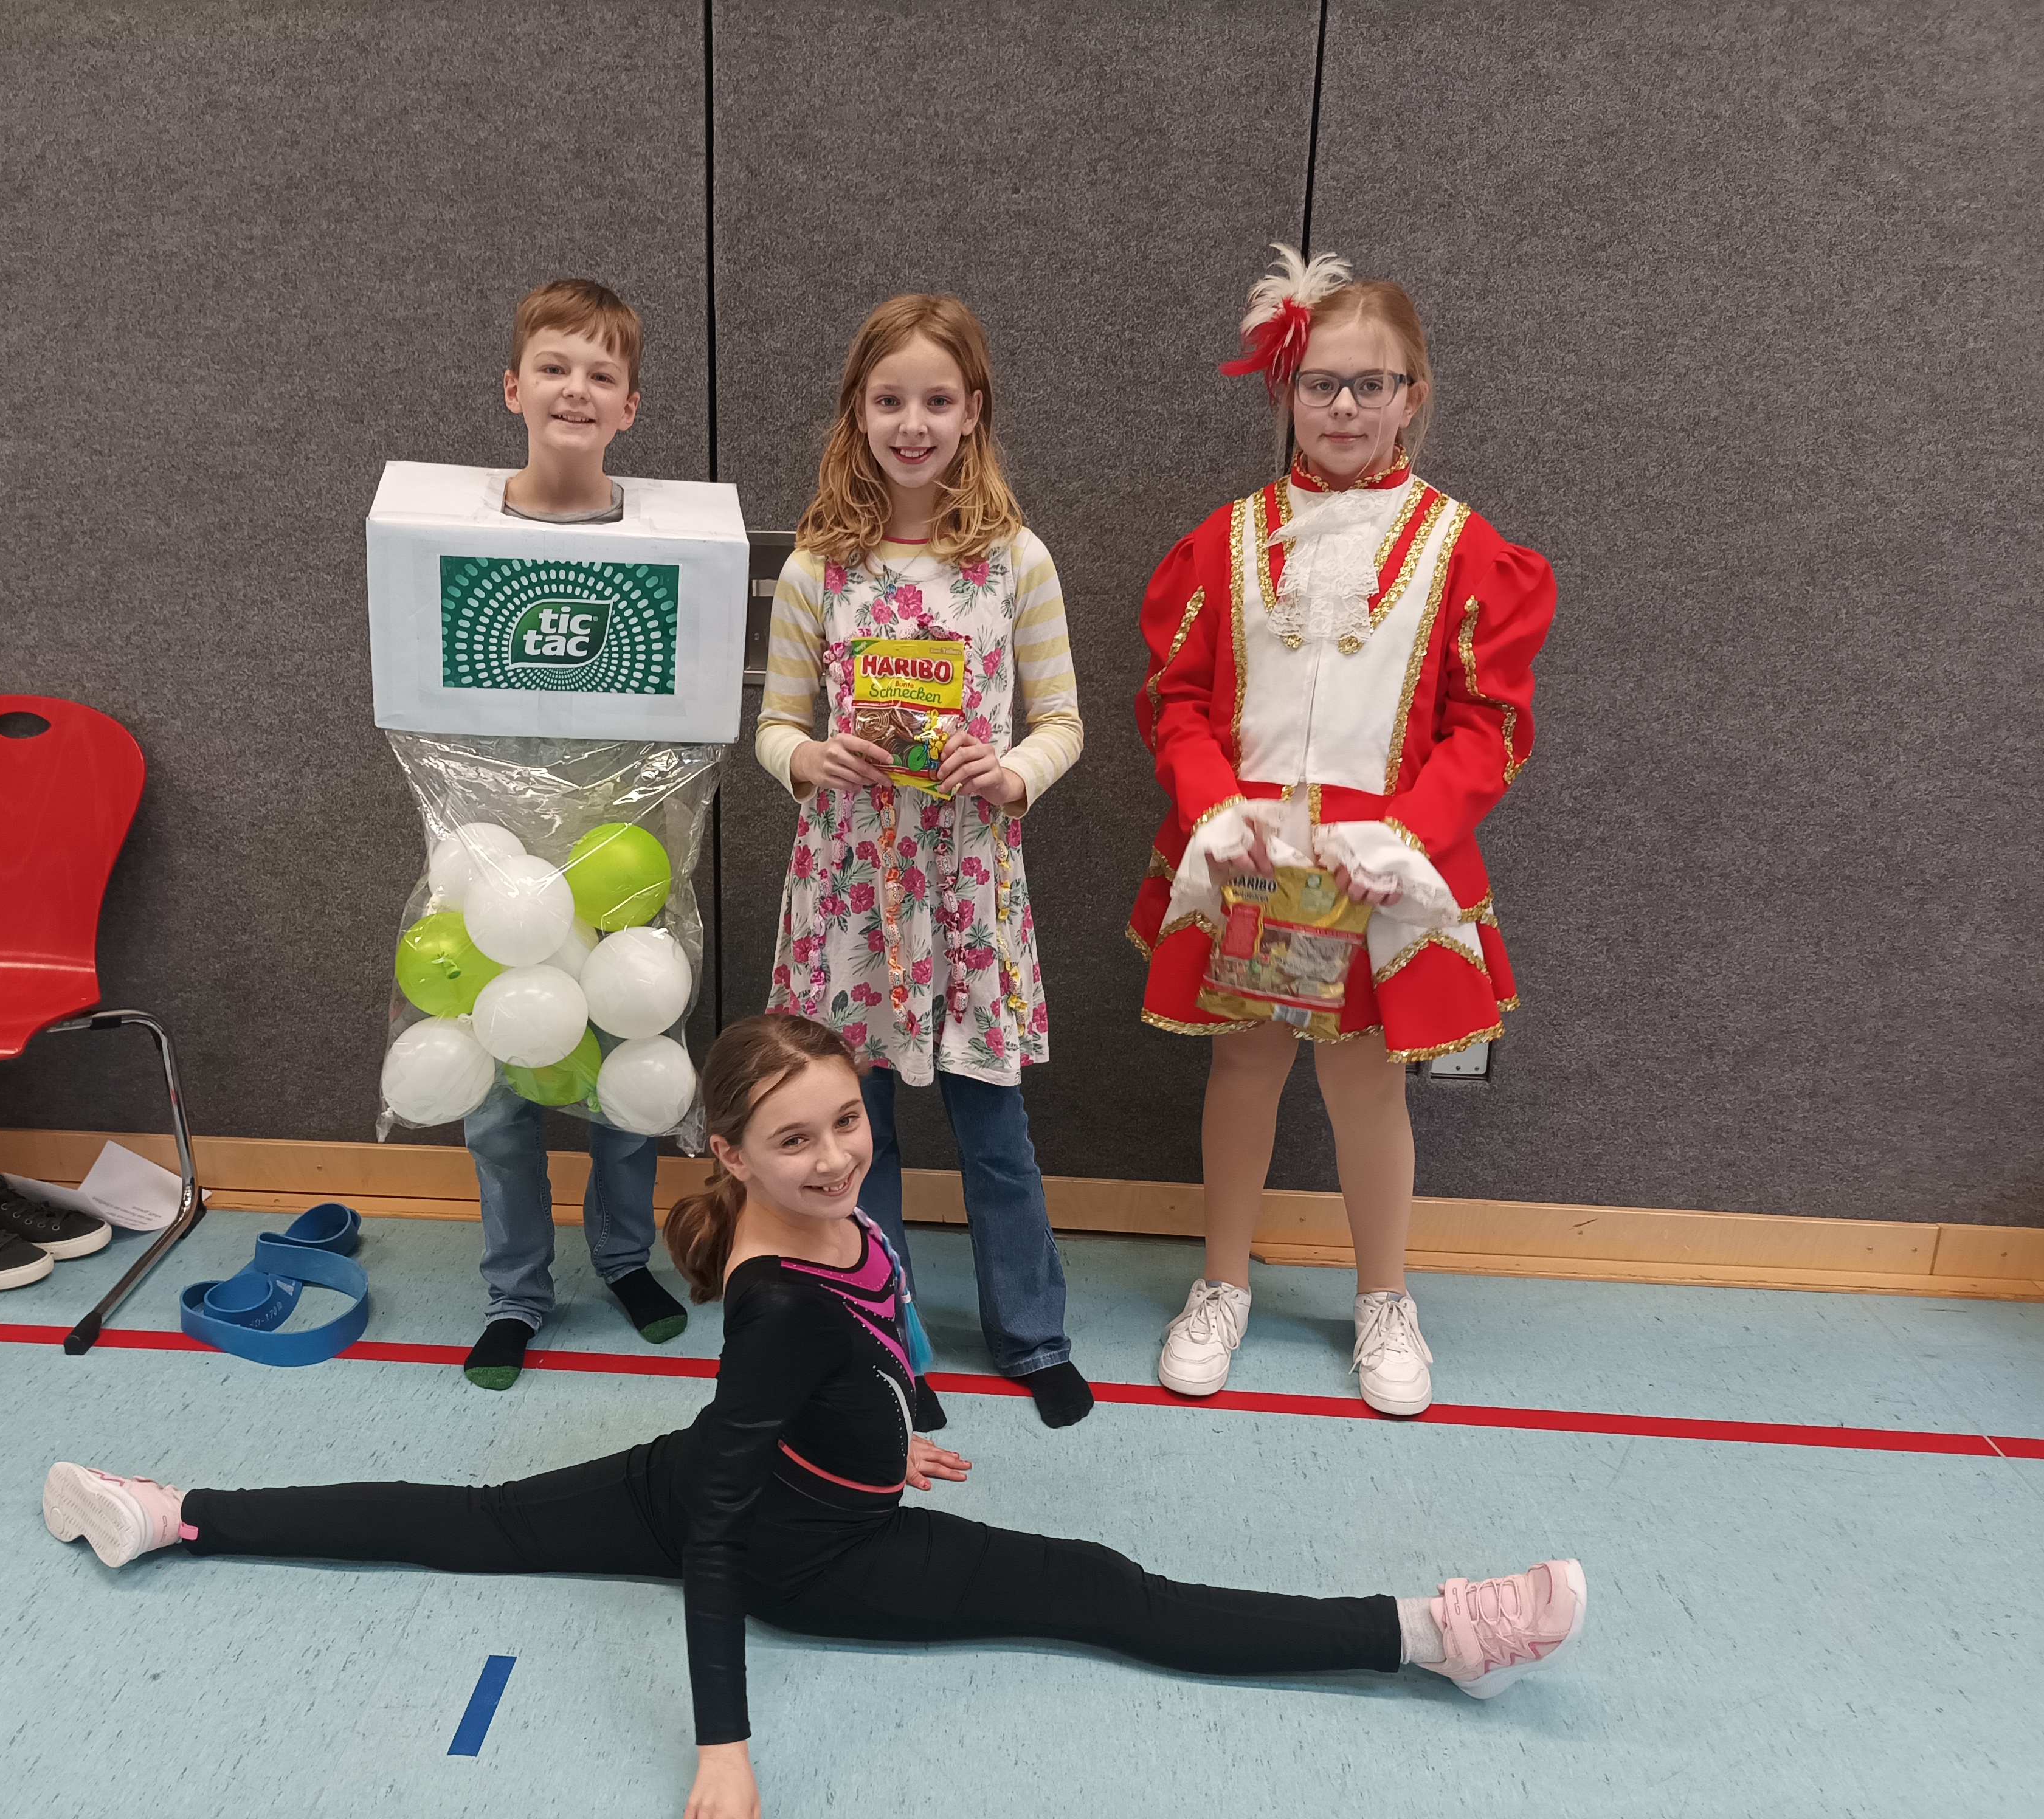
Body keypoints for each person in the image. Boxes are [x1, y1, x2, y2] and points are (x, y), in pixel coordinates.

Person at [43, 1014, 1589, 1819]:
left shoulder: (824, 1222)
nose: (838, 1153)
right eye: (795, 1139)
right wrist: (723, 1747)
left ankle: (171, 1516)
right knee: (1104, 1587)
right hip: (806, 1550)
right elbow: (720, 1534)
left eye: (846, 1118)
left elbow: (865, 1341)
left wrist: (882, 1427)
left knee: (476, 1525)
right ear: (728, 1153)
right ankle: (1425, 1632)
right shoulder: (771, 1306)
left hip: (775, 1471)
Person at [1129, 247, 1556, 1414]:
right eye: (1322, 384)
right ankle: (1223, 1283)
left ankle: (1384, 1299)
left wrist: (1408, 836)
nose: (1346, 408)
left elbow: (1489, 725)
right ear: (1288, 391)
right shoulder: (1226, 539)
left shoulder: (1464, 546)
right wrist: (1213, 807)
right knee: (1243, 1065)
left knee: (1369, 1087)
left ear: (1414, 394)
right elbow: (1175, 699)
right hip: (1251, 856)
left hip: (1381, 868)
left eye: (1372, 384)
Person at [753, 294, 1092, 1428]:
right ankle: (885, 1343)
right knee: (860, 1135)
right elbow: (773, 728)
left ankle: (1032, 1335)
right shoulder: (820, 566)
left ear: (973, 411)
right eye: (890, 400)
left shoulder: (1015, 561)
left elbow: (1064, 723)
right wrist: (811, 757)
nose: (913, 423)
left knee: (996, 1133)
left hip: (967, 887)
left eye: (937, 401)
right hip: (851, 889)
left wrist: (1010, 772)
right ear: (858, 409)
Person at [461, 277, 689, 1389]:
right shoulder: (455, 534)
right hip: (492, 866)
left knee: (628, 1081)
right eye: (554, 367)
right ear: (513, 387)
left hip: (622, 864)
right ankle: (516, 1294)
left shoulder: (662, 543)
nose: (576, 389)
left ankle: (625, 1262)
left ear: (630, 406)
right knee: (498, 1104)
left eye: (602, 374)